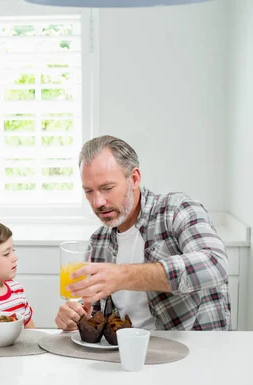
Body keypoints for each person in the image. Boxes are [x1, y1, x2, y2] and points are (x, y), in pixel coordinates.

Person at [55, 135, 231, 331]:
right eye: (89, 191)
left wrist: (123, 276)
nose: (98, 202)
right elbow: (96, 315)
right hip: (128, 354)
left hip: (193, 351)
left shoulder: (176, 210)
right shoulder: (99, 242)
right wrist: (77, 318)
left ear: (134, 178)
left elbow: (215, 264)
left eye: (107, 188)